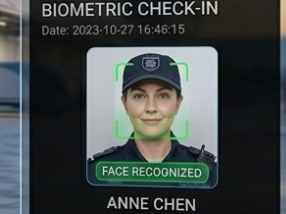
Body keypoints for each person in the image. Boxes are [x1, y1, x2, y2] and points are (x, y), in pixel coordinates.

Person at [87, 52, 217, 184]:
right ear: (125, 103)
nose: (151, 108)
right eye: (139, 96)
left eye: (163, 96)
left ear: (178, 103)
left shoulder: (207, 173)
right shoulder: (95, 173)